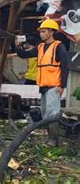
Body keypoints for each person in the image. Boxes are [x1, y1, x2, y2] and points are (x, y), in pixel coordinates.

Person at [16, 19, 69, 147]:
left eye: (44, 31)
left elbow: (65, 67)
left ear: (51, 32)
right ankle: (50, 138)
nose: (41, 34)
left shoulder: (58, 46)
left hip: (54, 86)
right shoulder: (40, 47)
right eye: (40, 32)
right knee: (46, 114)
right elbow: (24, 54)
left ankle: (54, 141)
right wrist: (17, 46)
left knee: (52, 114)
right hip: (43, 86)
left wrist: (62, 86)